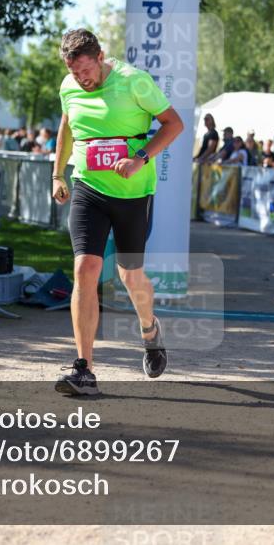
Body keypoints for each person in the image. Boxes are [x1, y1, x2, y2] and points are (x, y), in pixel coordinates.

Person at [51, 28, 183, 395]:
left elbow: (174, 124)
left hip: (133, 193)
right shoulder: (69, 86)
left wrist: (140, 158)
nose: (82, 79)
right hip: (88, 187)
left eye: (86, 72)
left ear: (101, 56)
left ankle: (149, 329)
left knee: (130, 276)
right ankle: (84, 370)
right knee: (85, 269)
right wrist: (57, 173)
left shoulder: (133, 82)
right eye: (75, 73)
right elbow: (67, 127)